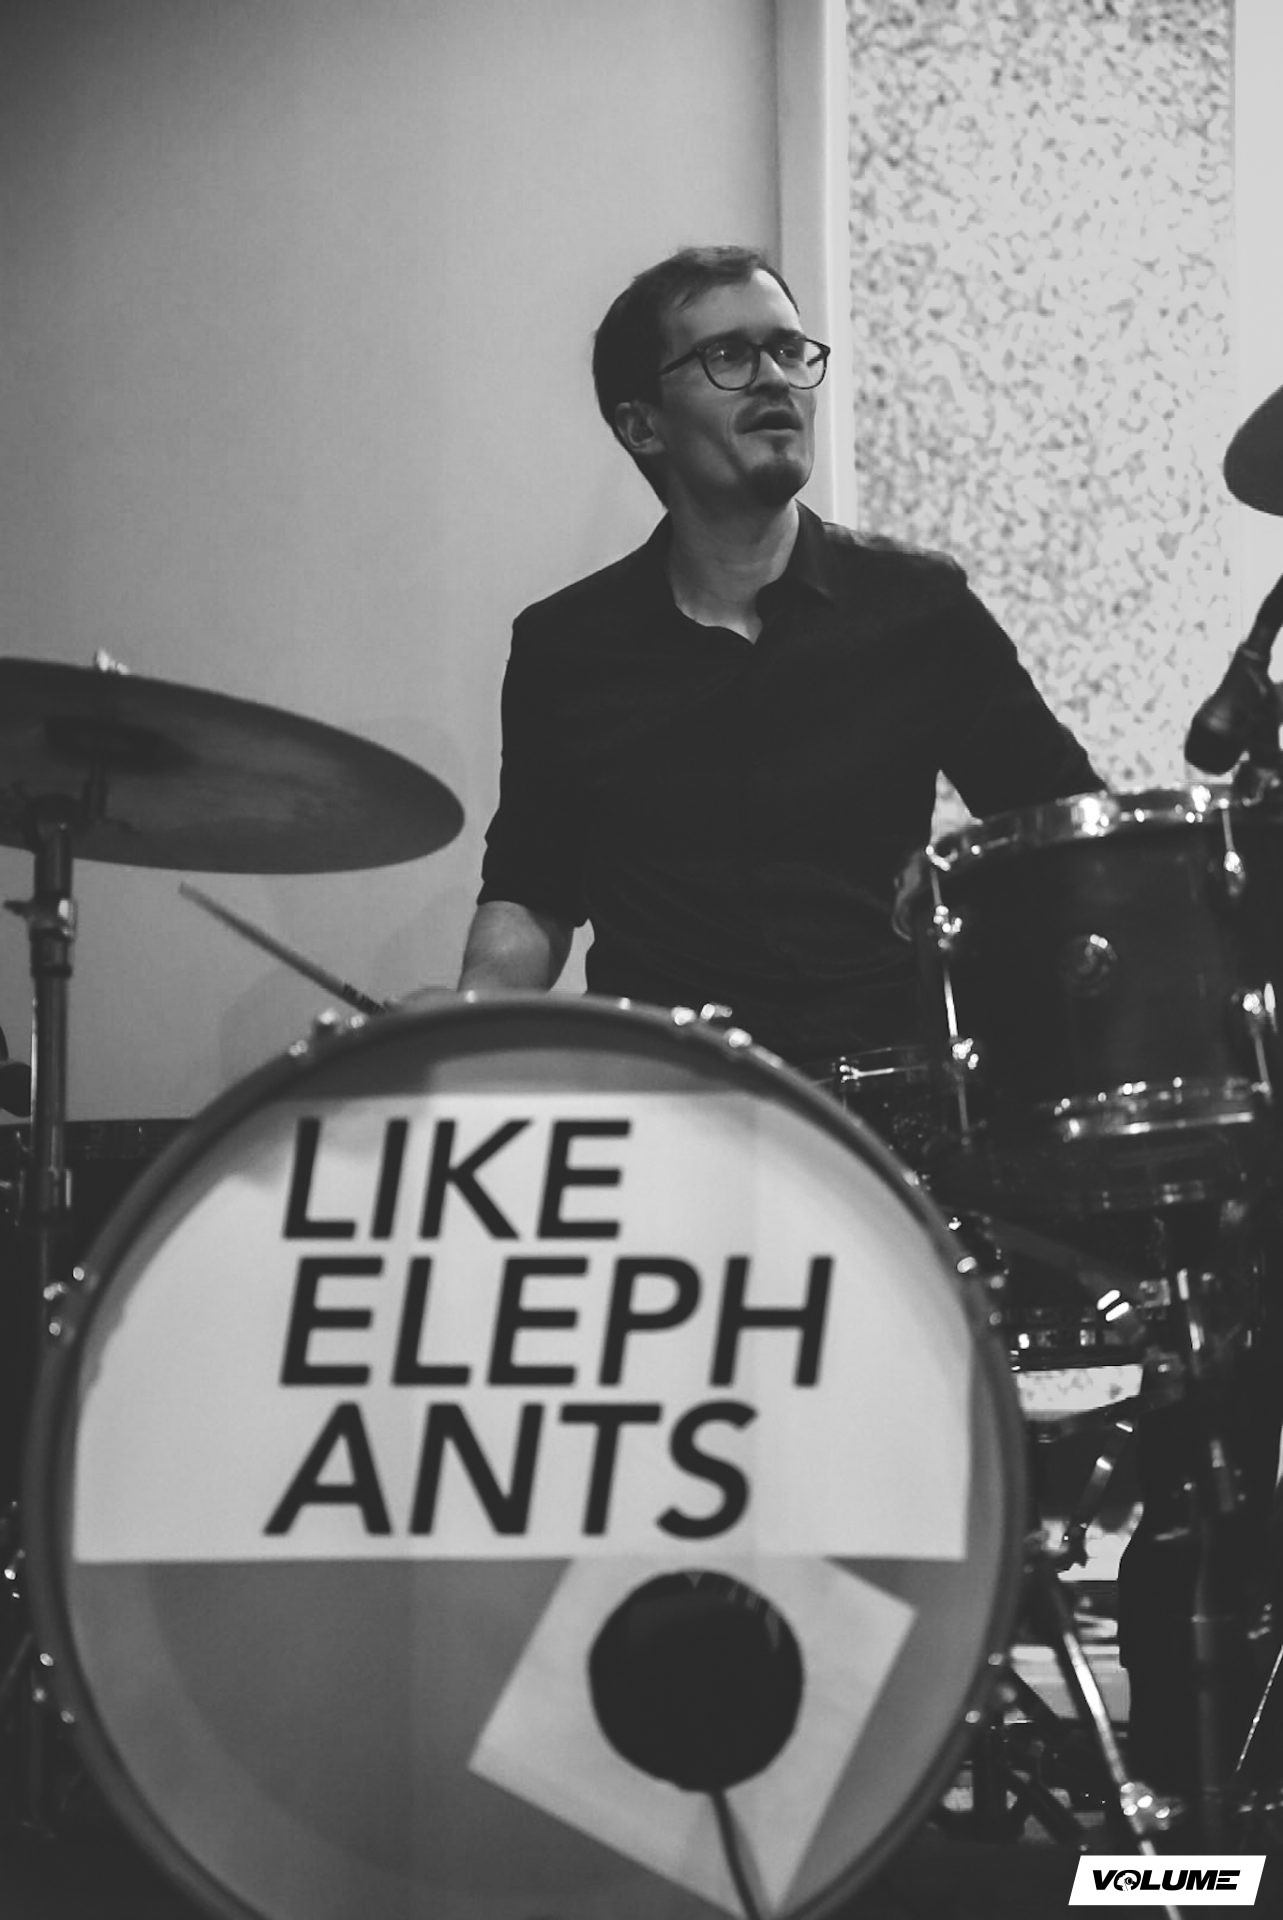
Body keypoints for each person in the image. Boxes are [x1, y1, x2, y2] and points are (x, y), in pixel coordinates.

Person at [454, 244, 1099, 1067]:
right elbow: (531, 895)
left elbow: (1065, 834)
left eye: (789, 350)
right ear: (641, 425)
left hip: (886, 1095)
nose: (774, 379)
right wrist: (467, 1014)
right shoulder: (567, 647)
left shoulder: (918, 607)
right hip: (664, 1088)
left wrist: (964, 886)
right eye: (727, 355)